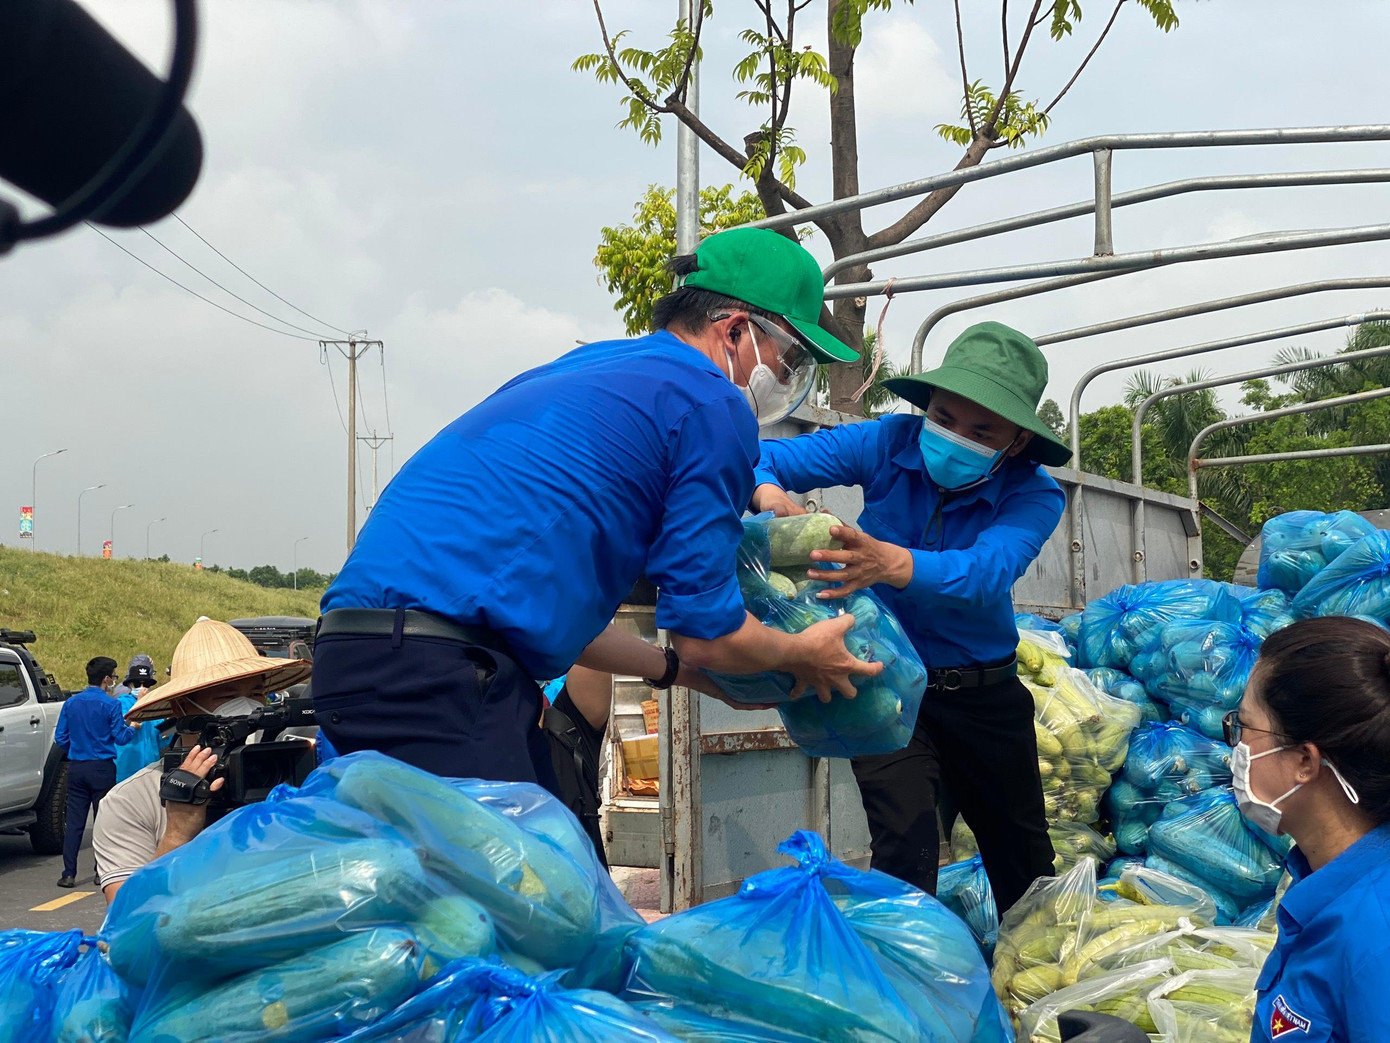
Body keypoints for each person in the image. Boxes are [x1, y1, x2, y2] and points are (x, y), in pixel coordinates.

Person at [314, 227, 882, 803]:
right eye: (789, 361)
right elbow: (707, 636)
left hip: (357, 655)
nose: (786, 381)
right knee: (517, 887)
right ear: (735, 330)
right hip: (439, 674)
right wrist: (800, 655)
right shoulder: (709, 402)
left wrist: (686, 676)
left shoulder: (598, 368)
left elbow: (561, 619)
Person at [749, 320, 1070, 913]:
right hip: (886, 684)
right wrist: (769, 494)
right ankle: (903, 986)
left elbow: (985, 574)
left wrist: (889, 563)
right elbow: (757, 456)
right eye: (945, 417)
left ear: (1016, 443)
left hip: (983, 699)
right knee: (904, 852)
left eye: (982, 430)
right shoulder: (886, 442)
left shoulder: (1037, 495)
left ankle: (1033, 988)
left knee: (1022, 860)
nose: (955, 435)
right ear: (927, 407)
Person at [1228, 616, 1390, 1043]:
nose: (1237, 747)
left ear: (1305, 762)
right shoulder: (1322, 876)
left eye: (1243, 727)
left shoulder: (1374, 941)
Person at [94, 618, 312, 902]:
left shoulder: (287, 774)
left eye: (257, 693)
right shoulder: (130, 801)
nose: (249, 706)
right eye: (227, 695)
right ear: (182, 705)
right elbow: (124, 919)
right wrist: (176, 833)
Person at [53, 656, 142, 888]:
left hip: (77, 766)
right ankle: (99, 872)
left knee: (74, 822)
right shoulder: (111, 705)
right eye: (113, 676)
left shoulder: (71, 703)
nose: (114, 680)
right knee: (102, 821)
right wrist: (132, 727)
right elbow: (121, 738)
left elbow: (60, 736)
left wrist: (76, 750)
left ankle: (68, 873)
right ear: (105, 679)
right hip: (102, 767)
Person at [112, 653, 171, 782]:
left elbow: (162, 738)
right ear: (130, 685)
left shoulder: (154, 706)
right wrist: (140, 704)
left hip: (150, 767)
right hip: (126, 768)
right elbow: (123, 726)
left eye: (146, 684)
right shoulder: (121, 703)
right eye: (138, 684)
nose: (142, 688)